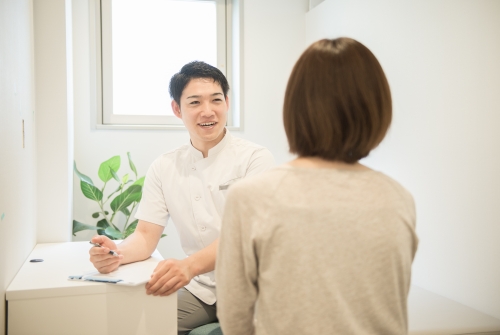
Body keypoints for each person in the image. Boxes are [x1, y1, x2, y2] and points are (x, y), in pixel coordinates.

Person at [216, 38, 418, 335]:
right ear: (377, 109)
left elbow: (234, 316)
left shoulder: (252, 197)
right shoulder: (398, 197)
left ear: (295, 108)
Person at [89, 61, 275, 334]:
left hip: (255, 287)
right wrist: (116, 253)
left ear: (227, 102)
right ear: (177, 109)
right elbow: (144, 236)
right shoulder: (164, 167)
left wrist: (187, 266)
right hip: (202, 289)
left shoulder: (255, 159)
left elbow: (244, 235)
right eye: (195, 102)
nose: (207, 111)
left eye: (216, 100)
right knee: (139, 322)